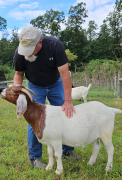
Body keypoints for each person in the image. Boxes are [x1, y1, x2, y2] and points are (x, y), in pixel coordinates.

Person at [13, 26, 78, 168]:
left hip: (56, 83)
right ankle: (35, 157)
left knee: (65, 114)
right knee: (33, 118)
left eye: (31, 49)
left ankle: (67, 151)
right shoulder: (20, 53)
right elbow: (18, 74)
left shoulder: (54, 45)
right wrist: (19, 93)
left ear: (40, 43)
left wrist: (68, 101)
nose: (27, 53)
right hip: (35, 85)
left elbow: (65, 74)